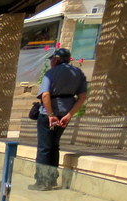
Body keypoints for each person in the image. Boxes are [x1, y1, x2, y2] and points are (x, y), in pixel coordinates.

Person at [30, 47, 87, 191]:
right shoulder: (79, 73)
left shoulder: (51, 73)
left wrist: (50, 115)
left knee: (44, 148)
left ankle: (42, 182)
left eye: (52, 60)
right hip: (64, 114)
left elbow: (45, 95)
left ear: (56, 60)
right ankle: (52, 179)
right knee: (54, 146)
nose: (51, 62)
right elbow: (82, 97)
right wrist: (69, 115)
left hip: (49, 114)